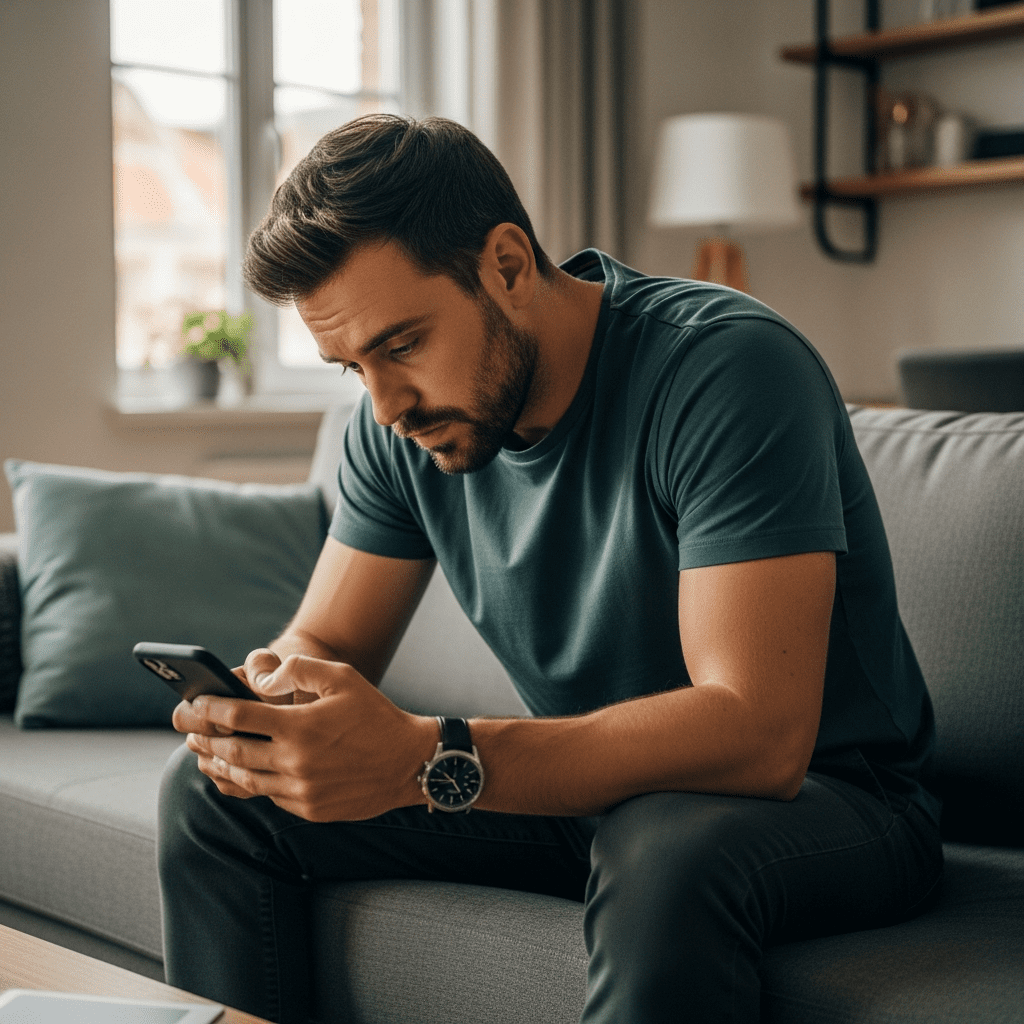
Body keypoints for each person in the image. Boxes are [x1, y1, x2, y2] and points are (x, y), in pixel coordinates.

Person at [158, 114, 943, 1024]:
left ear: (507, 265)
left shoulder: (725, 369)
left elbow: (757, 733)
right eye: (351, 367)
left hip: (834, 801)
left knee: (665, 842)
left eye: (403, 344)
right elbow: (327, 637)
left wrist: (427, 755)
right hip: (591, 793)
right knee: (218, 799)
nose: (383, 404)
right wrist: (268, 707)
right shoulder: (405, 426)